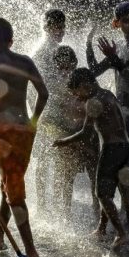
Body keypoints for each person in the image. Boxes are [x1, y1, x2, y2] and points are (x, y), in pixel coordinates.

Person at [0, 18, 48, 257]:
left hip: (5, 132)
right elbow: (43, 93)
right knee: (10, 183)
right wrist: (34, 121)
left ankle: (31, 251)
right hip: (26, 130)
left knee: (14, 192)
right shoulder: (25, 61)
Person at [87, 1, 129, 232]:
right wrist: (88, 43)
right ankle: (124, 215)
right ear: (117, 24)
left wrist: (113, 58)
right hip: (121, 112)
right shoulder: (121, 48)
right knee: (119, 163)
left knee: (122, 163)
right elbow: (94, 72)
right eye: (126, 21)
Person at [53, 68, 129, 249]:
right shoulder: (108, 94)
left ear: (84, 85)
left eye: (76, 92)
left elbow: (85, 133)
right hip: (125, 146)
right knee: (108, 190)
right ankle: (101, 229)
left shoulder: (93, 102)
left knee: (101, 194)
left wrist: (63, 142)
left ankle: (121, 234)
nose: (77, 98)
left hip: (112, 148)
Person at [46, 45, 100, 222]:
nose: (65, 71)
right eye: (60, 67)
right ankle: (65, 215)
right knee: (66, 177)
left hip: (88, 133)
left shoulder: (82, 78)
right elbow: (51, 115)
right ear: (55, 67)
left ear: (74, 63)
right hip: (67, 134)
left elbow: (96, 101)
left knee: (95, 176)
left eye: (68, 66)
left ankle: (98, 211)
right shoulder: (53, 85)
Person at [33, 9, 66, 215]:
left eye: (63, 27)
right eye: (57, 27)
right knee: (45, 161)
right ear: (46, 28)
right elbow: (34, 88)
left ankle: (53, 204)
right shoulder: (42, 53)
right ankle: (43, 206)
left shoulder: (58, 50)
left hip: (59, 113)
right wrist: (37, 116)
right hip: (47, 115)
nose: (61, 31)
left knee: (58, 160)